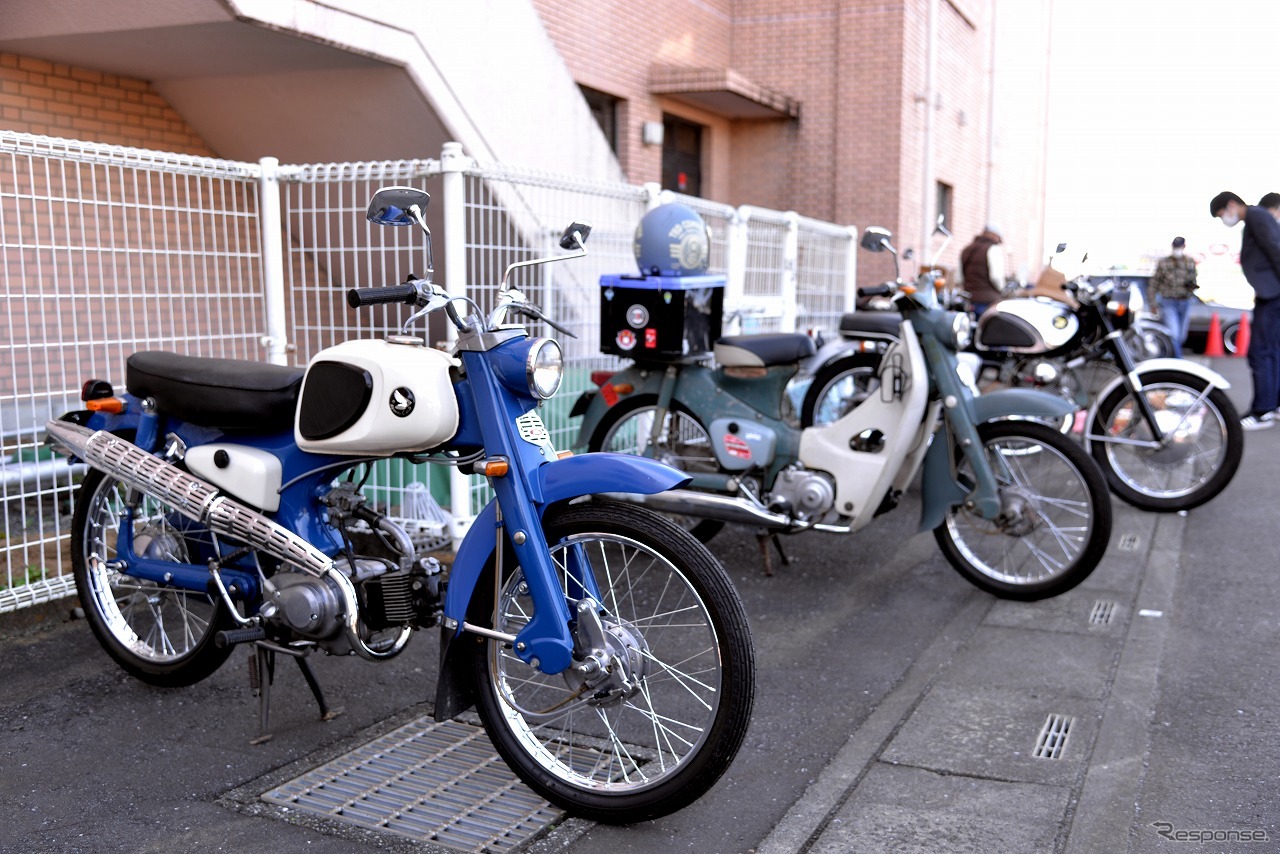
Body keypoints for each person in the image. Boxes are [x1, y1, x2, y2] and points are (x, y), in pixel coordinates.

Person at [1209, 191, 1280, 429]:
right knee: (1272, 351)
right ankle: (1273, 405)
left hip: (1273, 295)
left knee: (1260, 352)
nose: (1224, 220)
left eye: (1221, 215)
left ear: (1231, 204)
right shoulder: (1257, 217)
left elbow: (1275, 249)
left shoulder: (1257, 216)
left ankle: (1262, 410)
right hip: (1271, 294)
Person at [1148, 236, 1198, 358]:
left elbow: (1193, 280)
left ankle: (1171, 355)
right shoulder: (1164, 262)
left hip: (1184, 301)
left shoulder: (1189, 262)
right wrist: (1152, 303)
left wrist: (1192, 287)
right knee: (1173, 333)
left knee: (1181, 336)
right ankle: (1177, 360)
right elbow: (1154, 284)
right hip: (1168, 302)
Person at [957, 226, 1006, 317]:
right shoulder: (993, 249)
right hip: (988, 301)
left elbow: (958, 278)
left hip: (969, 299)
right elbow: (996, 277)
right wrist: (1003, 289)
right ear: (995, 236)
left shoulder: (966, 249)